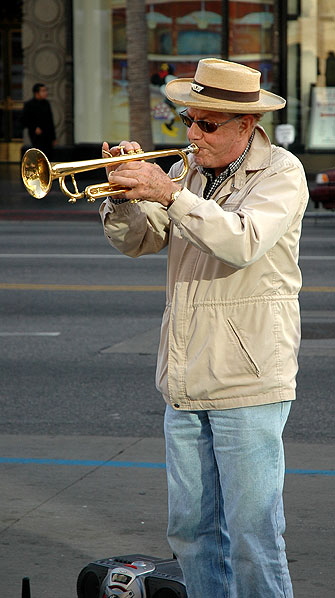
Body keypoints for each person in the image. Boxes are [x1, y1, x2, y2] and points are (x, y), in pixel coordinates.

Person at [99, 58, 309, 597]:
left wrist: (167, 193)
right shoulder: (190, 171)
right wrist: (122, 195)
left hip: (248, 378)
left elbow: (243, 241)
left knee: (251, 536)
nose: (192, 134)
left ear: (246, 125)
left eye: (207, 124)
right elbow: (139, 241)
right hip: (185, 377)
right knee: (190, 533)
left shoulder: (281, 172)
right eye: (189, 120)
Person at [22, 83, 56, 158]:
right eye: (43, 91)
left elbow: (50, 121)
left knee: (49, 155)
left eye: (46, 91)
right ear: (36, 93)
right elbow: (25, 120)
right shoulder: (29, 105)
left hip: (47, 134)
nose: (45, 93)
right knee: (39, 154)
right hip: (36, 135)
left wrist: (53, 137)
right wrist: (34, 127)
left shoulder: (46, 104)